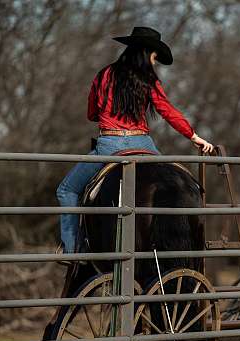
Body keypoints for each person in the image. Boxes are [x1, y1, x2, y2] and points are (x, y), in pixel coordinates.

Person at [56, 26, 214, 254]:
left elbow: (92, 114)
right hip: (144, 144)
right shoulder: (148, 80)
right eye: (155, 56)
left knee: (66, 191)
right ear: (146, 53)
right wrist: (193, 136)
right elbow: (167, 110)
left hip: (109, 146)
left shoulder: (104, 75)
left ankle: (73, 250)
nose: (156, 62)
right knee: (172, 180)